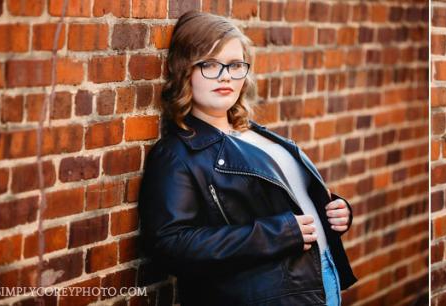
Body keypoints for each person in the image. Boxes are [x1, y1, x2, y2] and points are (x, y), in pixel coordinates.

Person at [138, 11, 357, 306]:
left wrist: (335, 210)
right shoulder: (177, 154)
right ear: (184, 69)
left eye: (235, 65)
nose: (225, 75)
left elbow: (286, 197)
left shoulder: (255, 134)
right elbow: (170, 245)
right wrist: (273, 234)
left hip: (318, 282)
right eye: (210, 64)